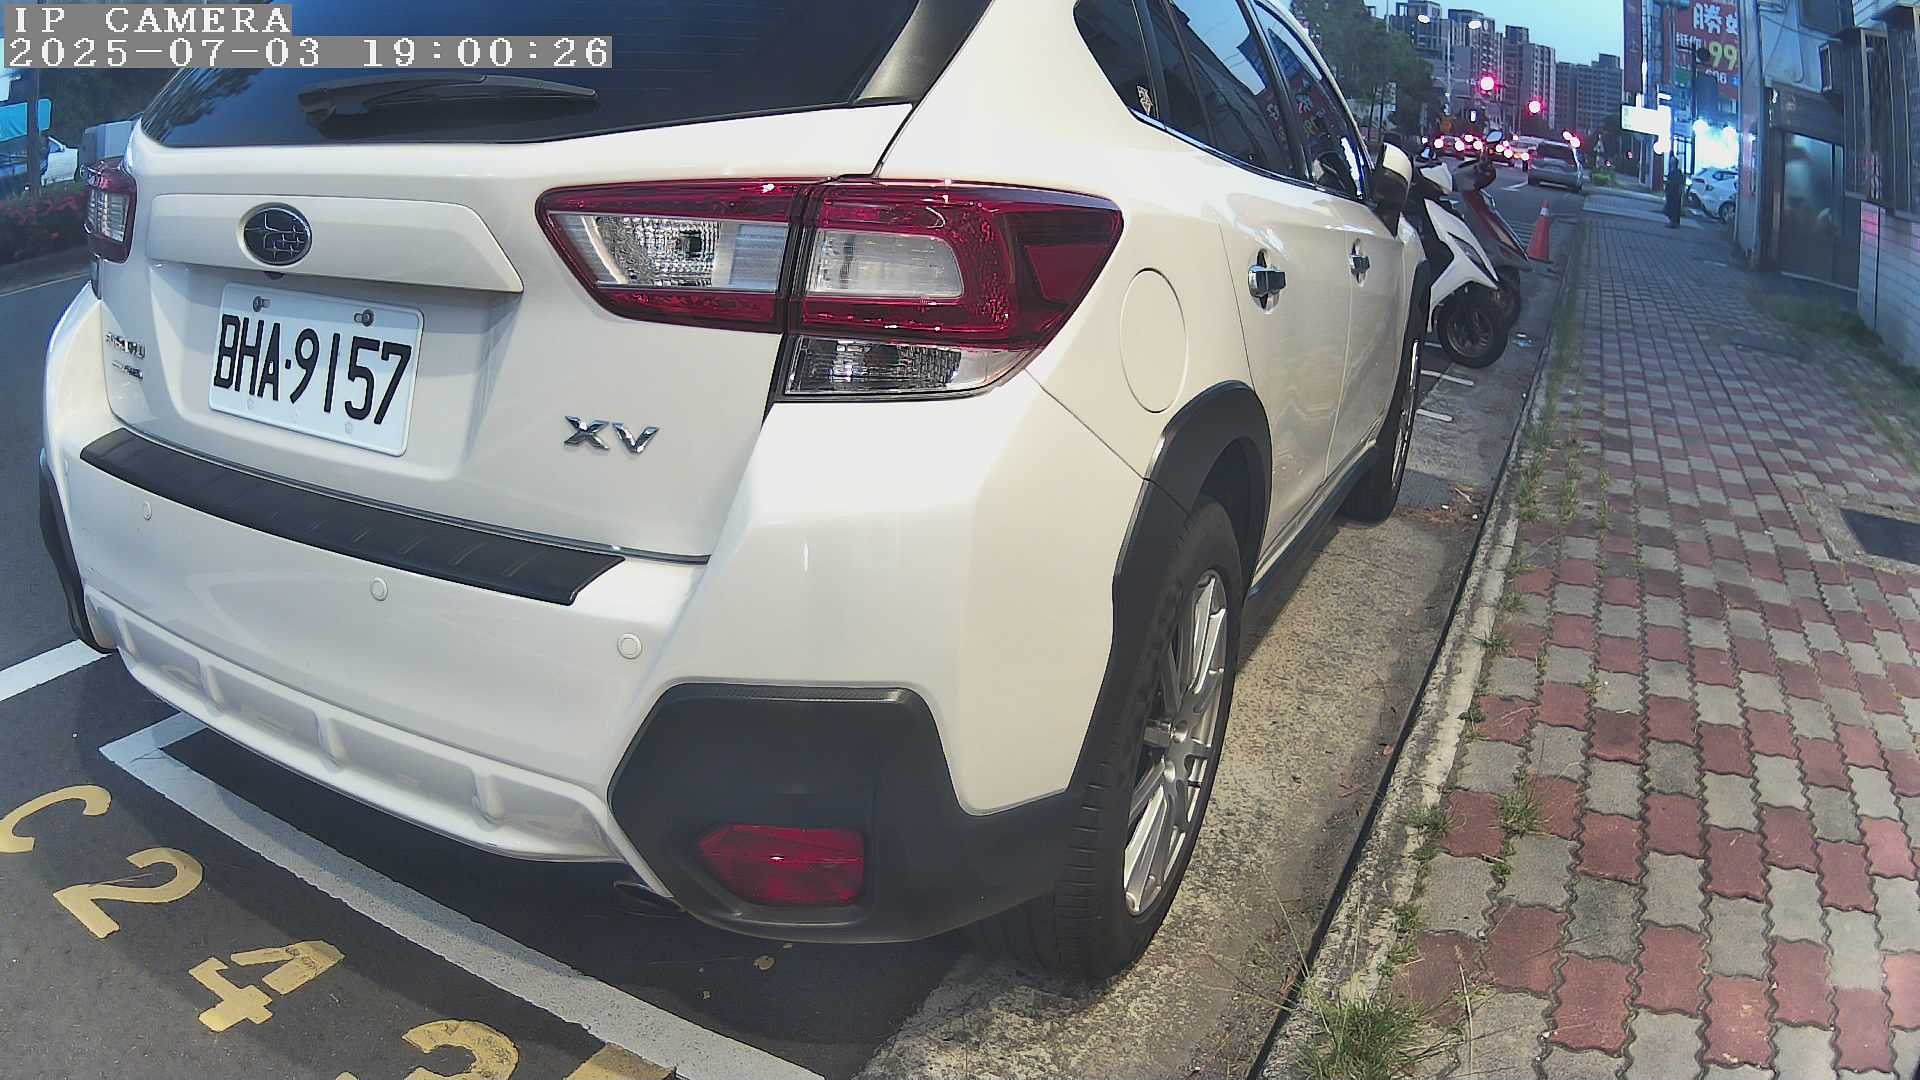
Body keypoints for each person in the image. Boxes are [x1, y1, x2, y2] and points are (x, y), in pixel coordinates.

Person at [1664, 160, 1685, 228]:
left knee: (1673, 208)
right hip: (1673, 193)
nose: (1670, 163)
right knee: (1673, 208)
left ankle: (1673, 222)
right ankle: (1674, 222)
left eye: (1672, 162)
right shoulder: (1676, 172)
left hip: (1674, 193)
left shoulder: (1675, 173)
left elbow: (1677, 183)